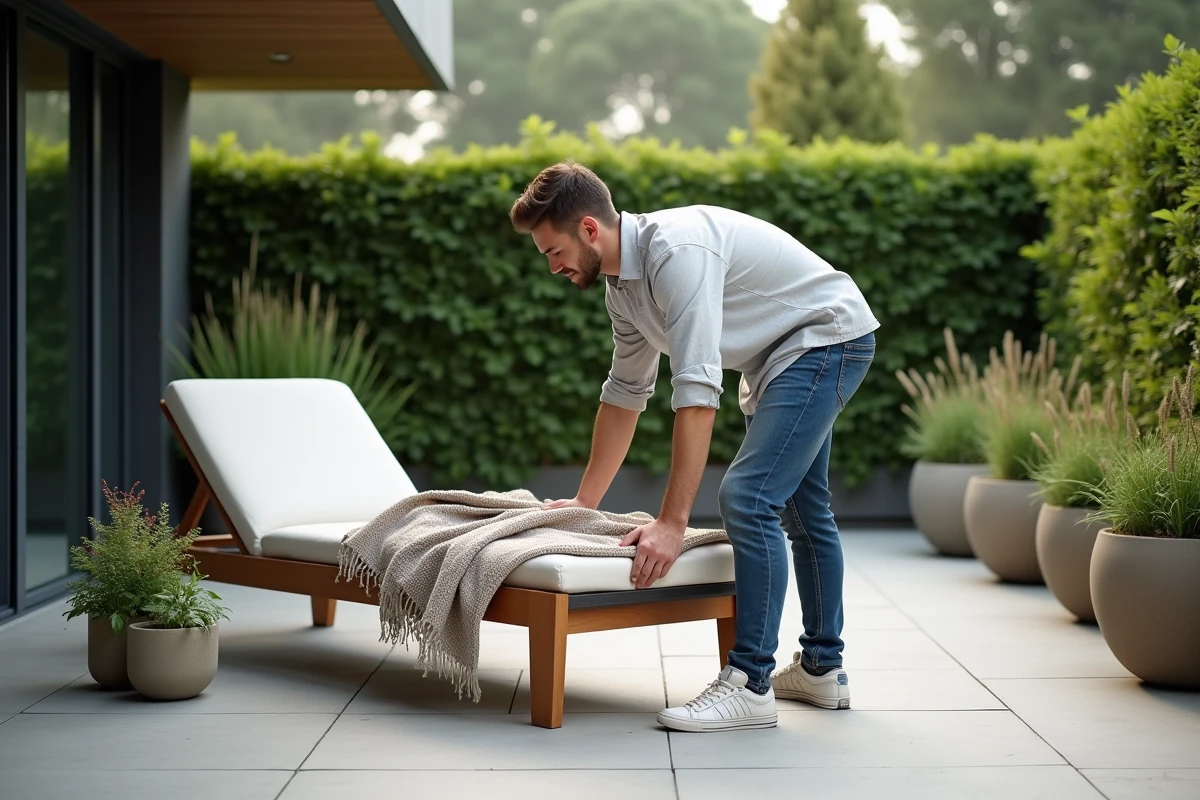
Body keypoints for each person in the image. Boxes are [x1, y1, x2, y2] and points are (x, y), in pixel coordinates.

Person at [508, 160, 879, 733]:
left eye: (553, 251)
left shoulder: (675, 253)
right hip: (787, 355)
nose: (552, 267)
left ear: (588, 229)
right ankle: (822, 671)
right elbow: (626, 394)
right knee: (805, 510)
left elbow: (698, 393)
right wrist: (584, 503)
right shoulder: (622, 290)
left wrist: (672, 522)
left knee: (749, 497)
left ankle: (749, 685)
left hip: (825, 337)